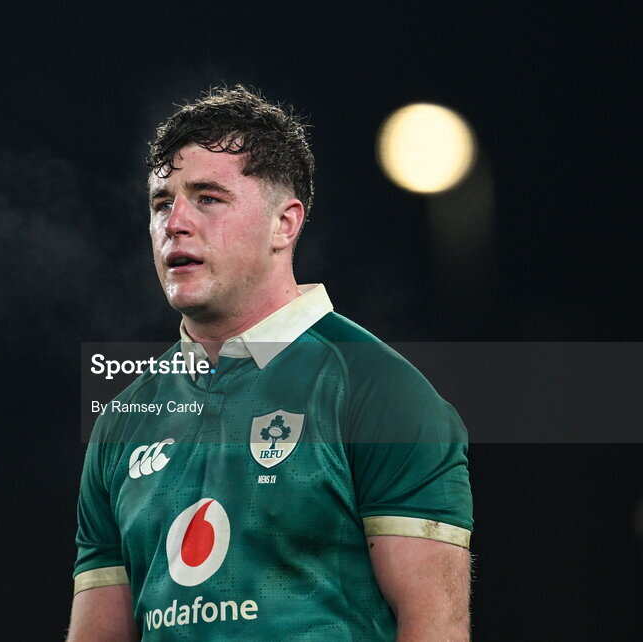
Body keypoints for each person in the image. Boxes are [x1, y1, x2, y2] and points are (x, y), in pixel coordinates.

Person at [69, 87, 473, 640]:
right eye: (162, 203)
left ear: (284, 224)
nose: (176, 223)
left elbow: (435, 627)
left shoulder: (378, 392)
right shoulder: (122, 422)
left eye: (208, 198)